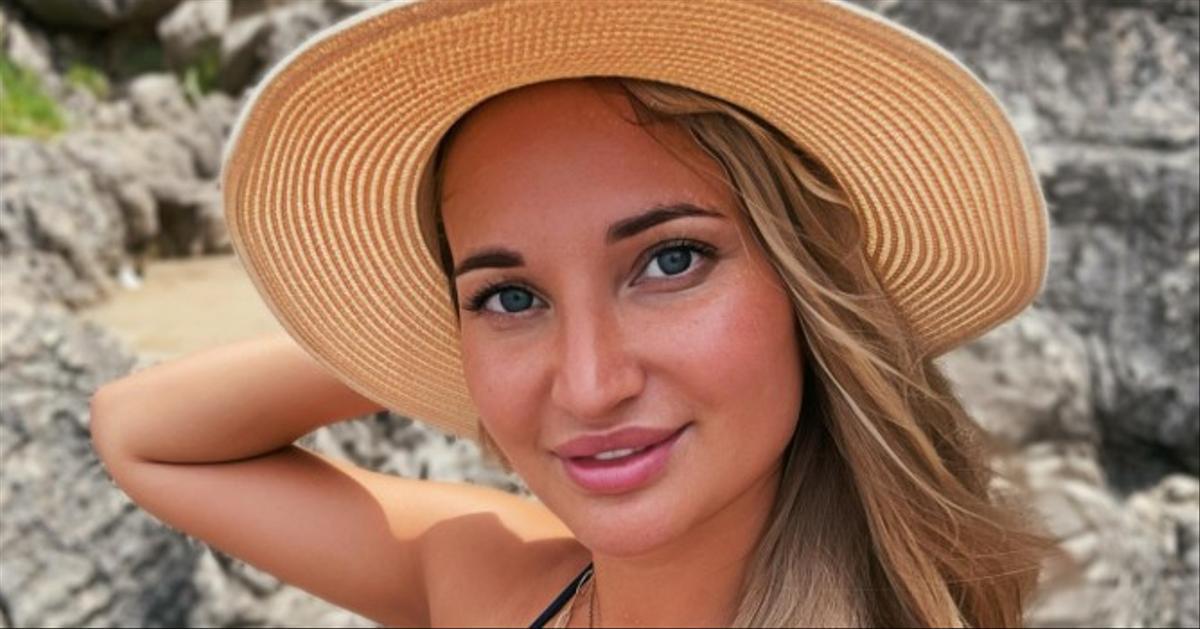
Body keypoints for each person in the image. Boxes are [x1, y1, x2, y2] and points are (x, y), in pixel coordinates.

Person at [90, 1, 1060, 626]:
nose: (592, 384)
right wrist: (435, 330)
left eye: (670, 261)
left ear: (808, 284)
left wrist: (492, 320)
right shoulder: (500, 586)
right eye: (510, 294)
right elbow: (144, 433)